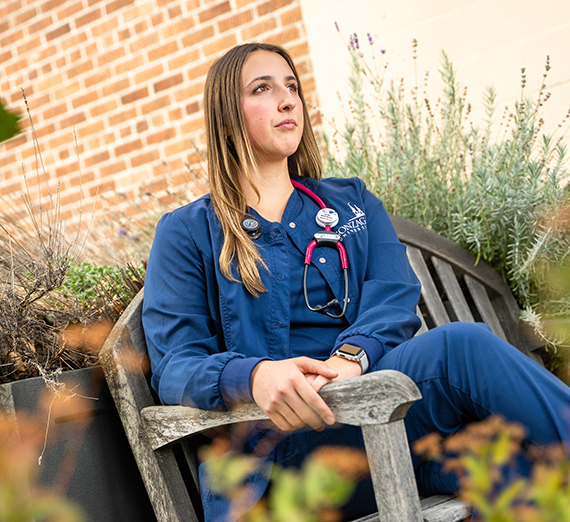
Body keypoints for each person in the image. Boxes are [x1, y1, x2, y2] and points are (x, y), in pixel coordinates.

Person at [142, 42, 570, 521]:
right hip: (283, 459)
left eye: (292, 87)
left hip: (380, 417)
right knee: (461, 348)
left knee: (515, 474)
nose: (287, 100)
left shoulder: (351, 204)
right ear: (225, 117)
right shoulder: (188, 231)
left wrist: (351, 358)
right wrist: (256, 375)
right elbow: (175, 364)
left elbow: (393, 298)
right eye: (262, 89)